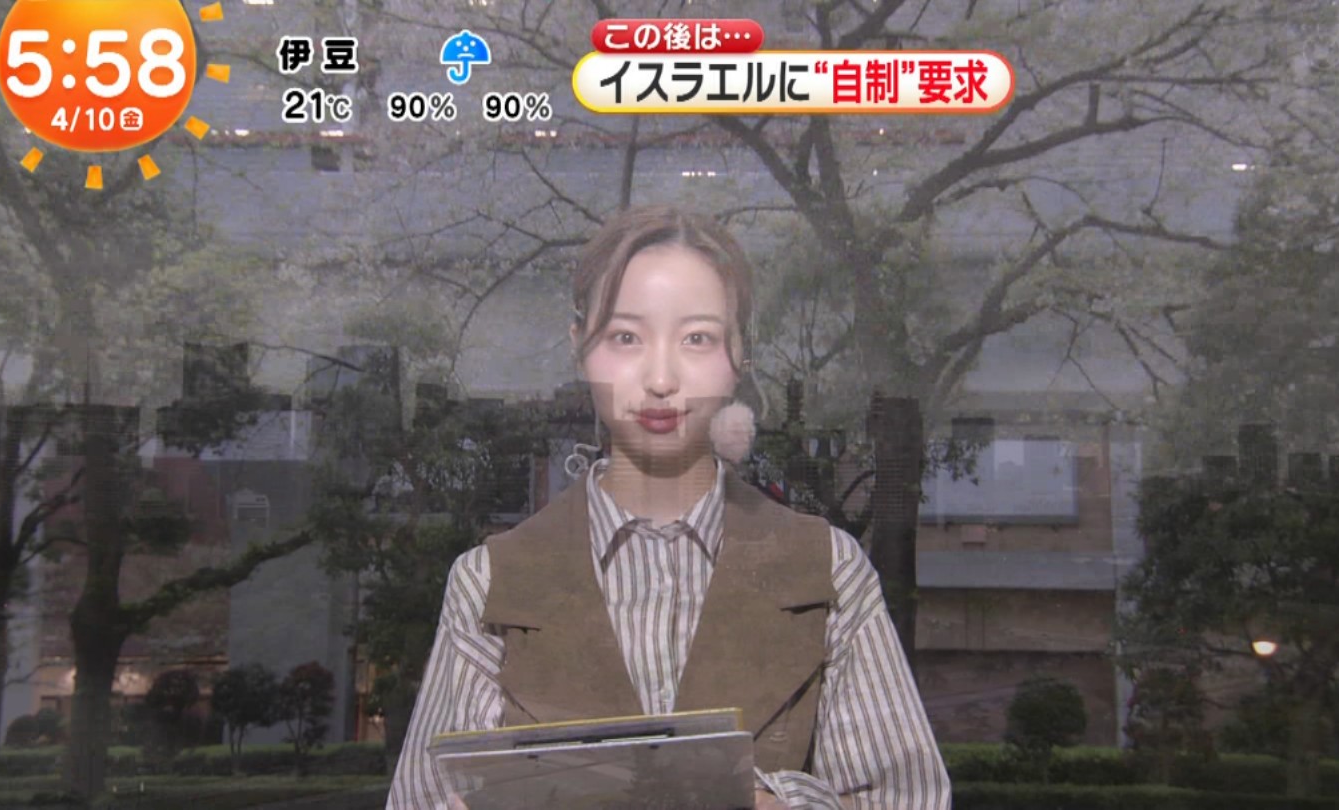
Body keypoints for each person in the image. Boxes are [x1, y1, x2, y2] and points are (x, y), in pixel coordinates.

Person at [386, 206, 950, 809]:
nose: (660, 378)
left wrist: (777, 802)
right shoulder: (489, 582)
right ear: (580, 347)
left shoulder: (829, 570)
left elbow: (906, 798)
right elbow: (423, 800)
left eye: (697, 338)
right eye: (626, 337)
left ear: (740, 354)